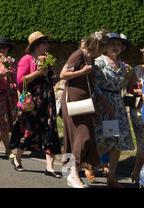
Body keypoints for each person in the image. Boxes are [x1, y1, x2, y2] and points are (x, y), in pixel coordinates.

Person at [9, 32, 62, 177]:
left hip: (47, 100)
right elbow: (20, 81)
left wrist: (57, 78)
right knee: (29, 130)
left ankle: (49, 167)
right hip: (32, 102)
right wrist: (38, 73)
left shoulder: (47, 59)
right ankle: (17, 158)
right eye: (45, 43)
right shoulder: (26, 59)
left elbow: (49, 79)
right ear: (37, 45)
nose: (47, 45)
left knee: (50, 130)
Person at [60, 31, 107, 188]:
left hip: (84, 103)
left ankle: (71, 173)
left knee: (79, 137)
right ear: (96, 46)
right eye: (102, 48)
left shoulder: (89, 59)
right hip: (73, 101)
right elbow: (63, 74)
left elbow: (90, 82)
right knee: (83, 136)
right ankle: (72, 175)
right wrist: (82, 71)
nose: (102, 52)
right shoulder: (77, 55)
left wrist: (101, 102)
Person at [93, 33, 137, 188]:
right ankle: (87, 164)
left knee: (117, 143)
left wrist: (135, 86)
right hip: (103, 105)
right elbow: (95, 85)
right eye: (112, 43)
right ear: (104, 46)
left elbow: (128, 87)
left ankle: (111, 177)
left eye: (119, 44)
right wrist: (104, 103)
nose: (116, 46)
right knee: (102, 140)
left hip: (118, 105)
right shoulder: (98, 63)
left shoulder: (125, 66)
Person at [132, 48, 144, 187]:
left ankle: (136, 173)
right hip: (139, 112)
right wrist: (139, 91)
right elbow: (131, 88)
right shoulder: (138, 69)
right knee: (142, 144)